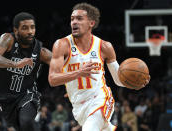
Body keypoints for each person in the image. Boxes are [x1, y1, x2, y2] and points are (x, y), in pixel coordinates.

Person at [48, 2, 150, 131]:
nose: (74, 22)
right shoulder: (62, 44)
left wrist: (134, 85)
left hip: (101, 99)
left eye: (79, 19)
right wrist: (78, 74)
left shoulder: (104, 47)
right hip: (79, 107)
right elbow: (52, 79)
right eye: (72, 19)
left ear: (91, 23)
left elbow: (118, 79)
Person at [0, 12, 52, 131]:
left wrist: (72, 86)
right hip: (5, 98)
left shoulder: (41, 51)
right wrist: (15, 64)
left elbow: (63, 66)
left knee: (26, 122)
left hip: (27, 94)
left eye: (32, 27)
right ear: (16, 30)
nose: (30, 31)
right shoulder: (8, 39)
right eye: (25, 28)